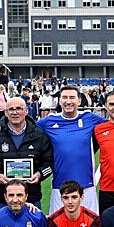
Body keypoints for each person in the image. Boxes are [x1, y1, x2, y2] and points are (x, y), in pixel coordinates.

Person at [0, 97, 54, 211]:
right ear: (6, 112)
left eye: (19, 108)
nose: (15, 112)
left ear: (26, 111)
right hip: (2, 199)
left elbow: (50, 162)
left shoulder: (39, 135)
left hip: (31, 197)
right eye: (11, 109)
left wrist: (39, 174)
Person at [38, 85, 105, 213]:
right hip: (59, 187)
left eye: (72, 97)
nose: (68, 101)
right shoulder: (49, 121)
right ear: (59, 101)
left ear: (79, 101)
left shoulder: (89, 118)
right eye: (64, 97)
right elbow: (23, 124)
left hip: (87, 186)